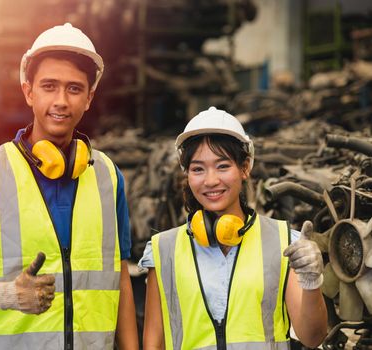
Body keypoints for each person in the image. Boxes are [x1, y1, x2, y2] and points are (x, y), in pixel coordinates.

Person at [0, 23, 138, 350]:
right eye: (49, 86)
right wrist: (5, 294)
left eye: (73, 89)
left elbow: (120, 278)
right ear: (29, 92)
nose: (61, 101)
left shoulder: (107, 177)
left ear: (89, 98)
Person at [140, 106, 327, 349]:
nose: (210, 180)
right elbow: (153, 344)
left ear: (245, 167)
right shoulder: (163, 250)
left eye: (223, 166)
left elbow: (313, 337)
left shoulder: (282, 242)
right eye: (198, 169)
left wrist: (312, 282)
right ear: (186, 174)